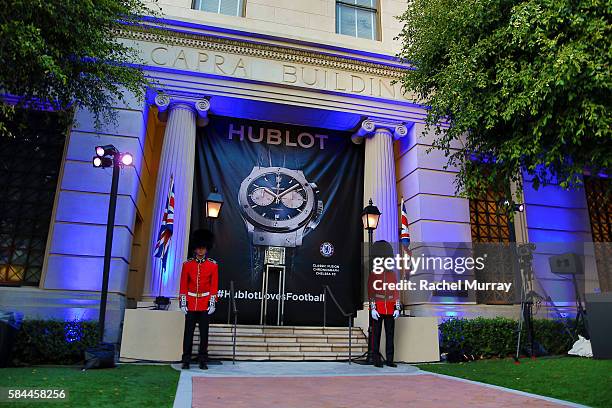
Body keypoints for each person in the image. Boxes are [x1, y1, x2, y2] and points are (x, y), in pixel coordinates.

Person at [179, 229, 218, 370]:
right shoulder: (187, 265)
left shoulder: (213, 265)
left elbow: (214, 286)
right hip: (190, 303)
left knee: (204, 334)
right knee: (188, 334)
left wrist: (212, 303)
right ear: (195, 249)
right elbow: (183, 285)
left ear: (206, 249)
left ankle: (203, 359)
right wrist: (183, 302)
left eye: (203, 248)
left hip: (204, 304)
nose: (201, 251)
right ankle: (186, 359)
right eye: (199, 248)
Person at [367, 240, 401, 368]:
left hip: (390, 308)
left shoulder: (392, 274)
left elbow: (396, 292)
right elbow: (371, 293)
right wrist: (373, 308)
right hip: (378, 307)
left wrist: (397, 308)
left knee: (390, 335)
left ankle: (390, 359)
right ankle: (376, 359)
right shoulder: (373, 274)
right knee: (376, 335)